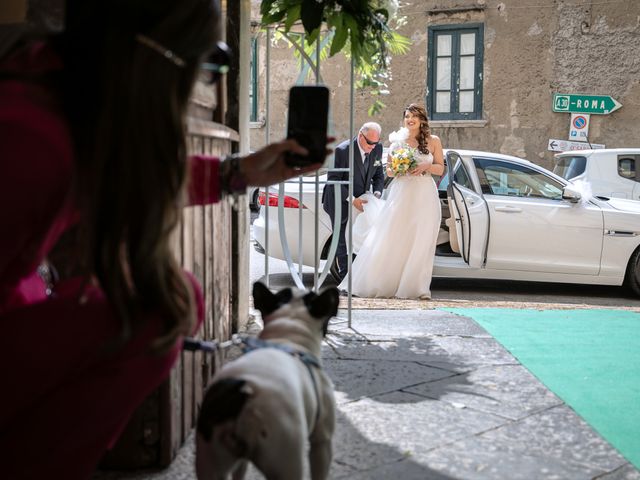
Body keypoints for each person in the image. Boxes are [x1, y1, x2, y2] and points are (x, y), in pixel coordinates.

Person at [0, 1, 326, 478]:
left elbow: (115, 176)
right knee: (163, 309)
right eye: (209, 63)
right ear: (158, 64)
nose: (205, 78)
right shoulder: (28, 141)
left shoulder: (55, 101)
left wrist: (241, 171)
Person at [339, 104, 444, 299]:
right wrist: (401, 168)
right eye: (407, 116)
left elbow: (441, 168)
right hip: (402, 193)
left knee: (421, 241)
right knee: (394, 238)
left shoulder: (434, 141)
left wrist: (425, 165)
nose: (410, 119)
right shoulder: (397, 142)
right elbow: (388, 171)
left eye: (414, 116)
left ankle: (417, 288)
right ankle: (385, 284)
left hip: (425, 195)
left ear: (422, 119)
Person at [322, 122, 385, 282]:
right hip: (339, 200)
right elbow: (333, 180)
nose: (372, 147)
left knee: (359, 237)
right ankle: (345, 281)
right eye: (370, 143)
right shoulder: (342, 151)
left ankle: (359, 276)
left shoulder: (377, 149)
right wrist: (352, 199)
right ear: (360, 136)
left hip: (362, 201)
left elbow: (378, 175)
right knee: (342, 238)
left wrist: (376, 193)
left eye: (375, 143)